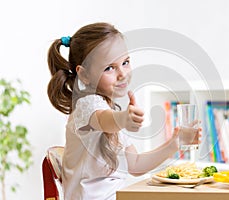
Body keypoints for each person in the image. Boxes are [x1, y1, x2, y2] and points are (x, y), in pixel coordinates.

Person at [47, 22, 201, 200]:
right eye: (109, 68)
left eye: (125, 62)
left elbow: (135, 165)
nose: (122, 74)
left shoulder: (110, 112)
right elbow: (104, 120)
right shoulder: (86, 106)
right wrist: (123, 119)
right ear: (84, 75)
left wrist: (175, 142)